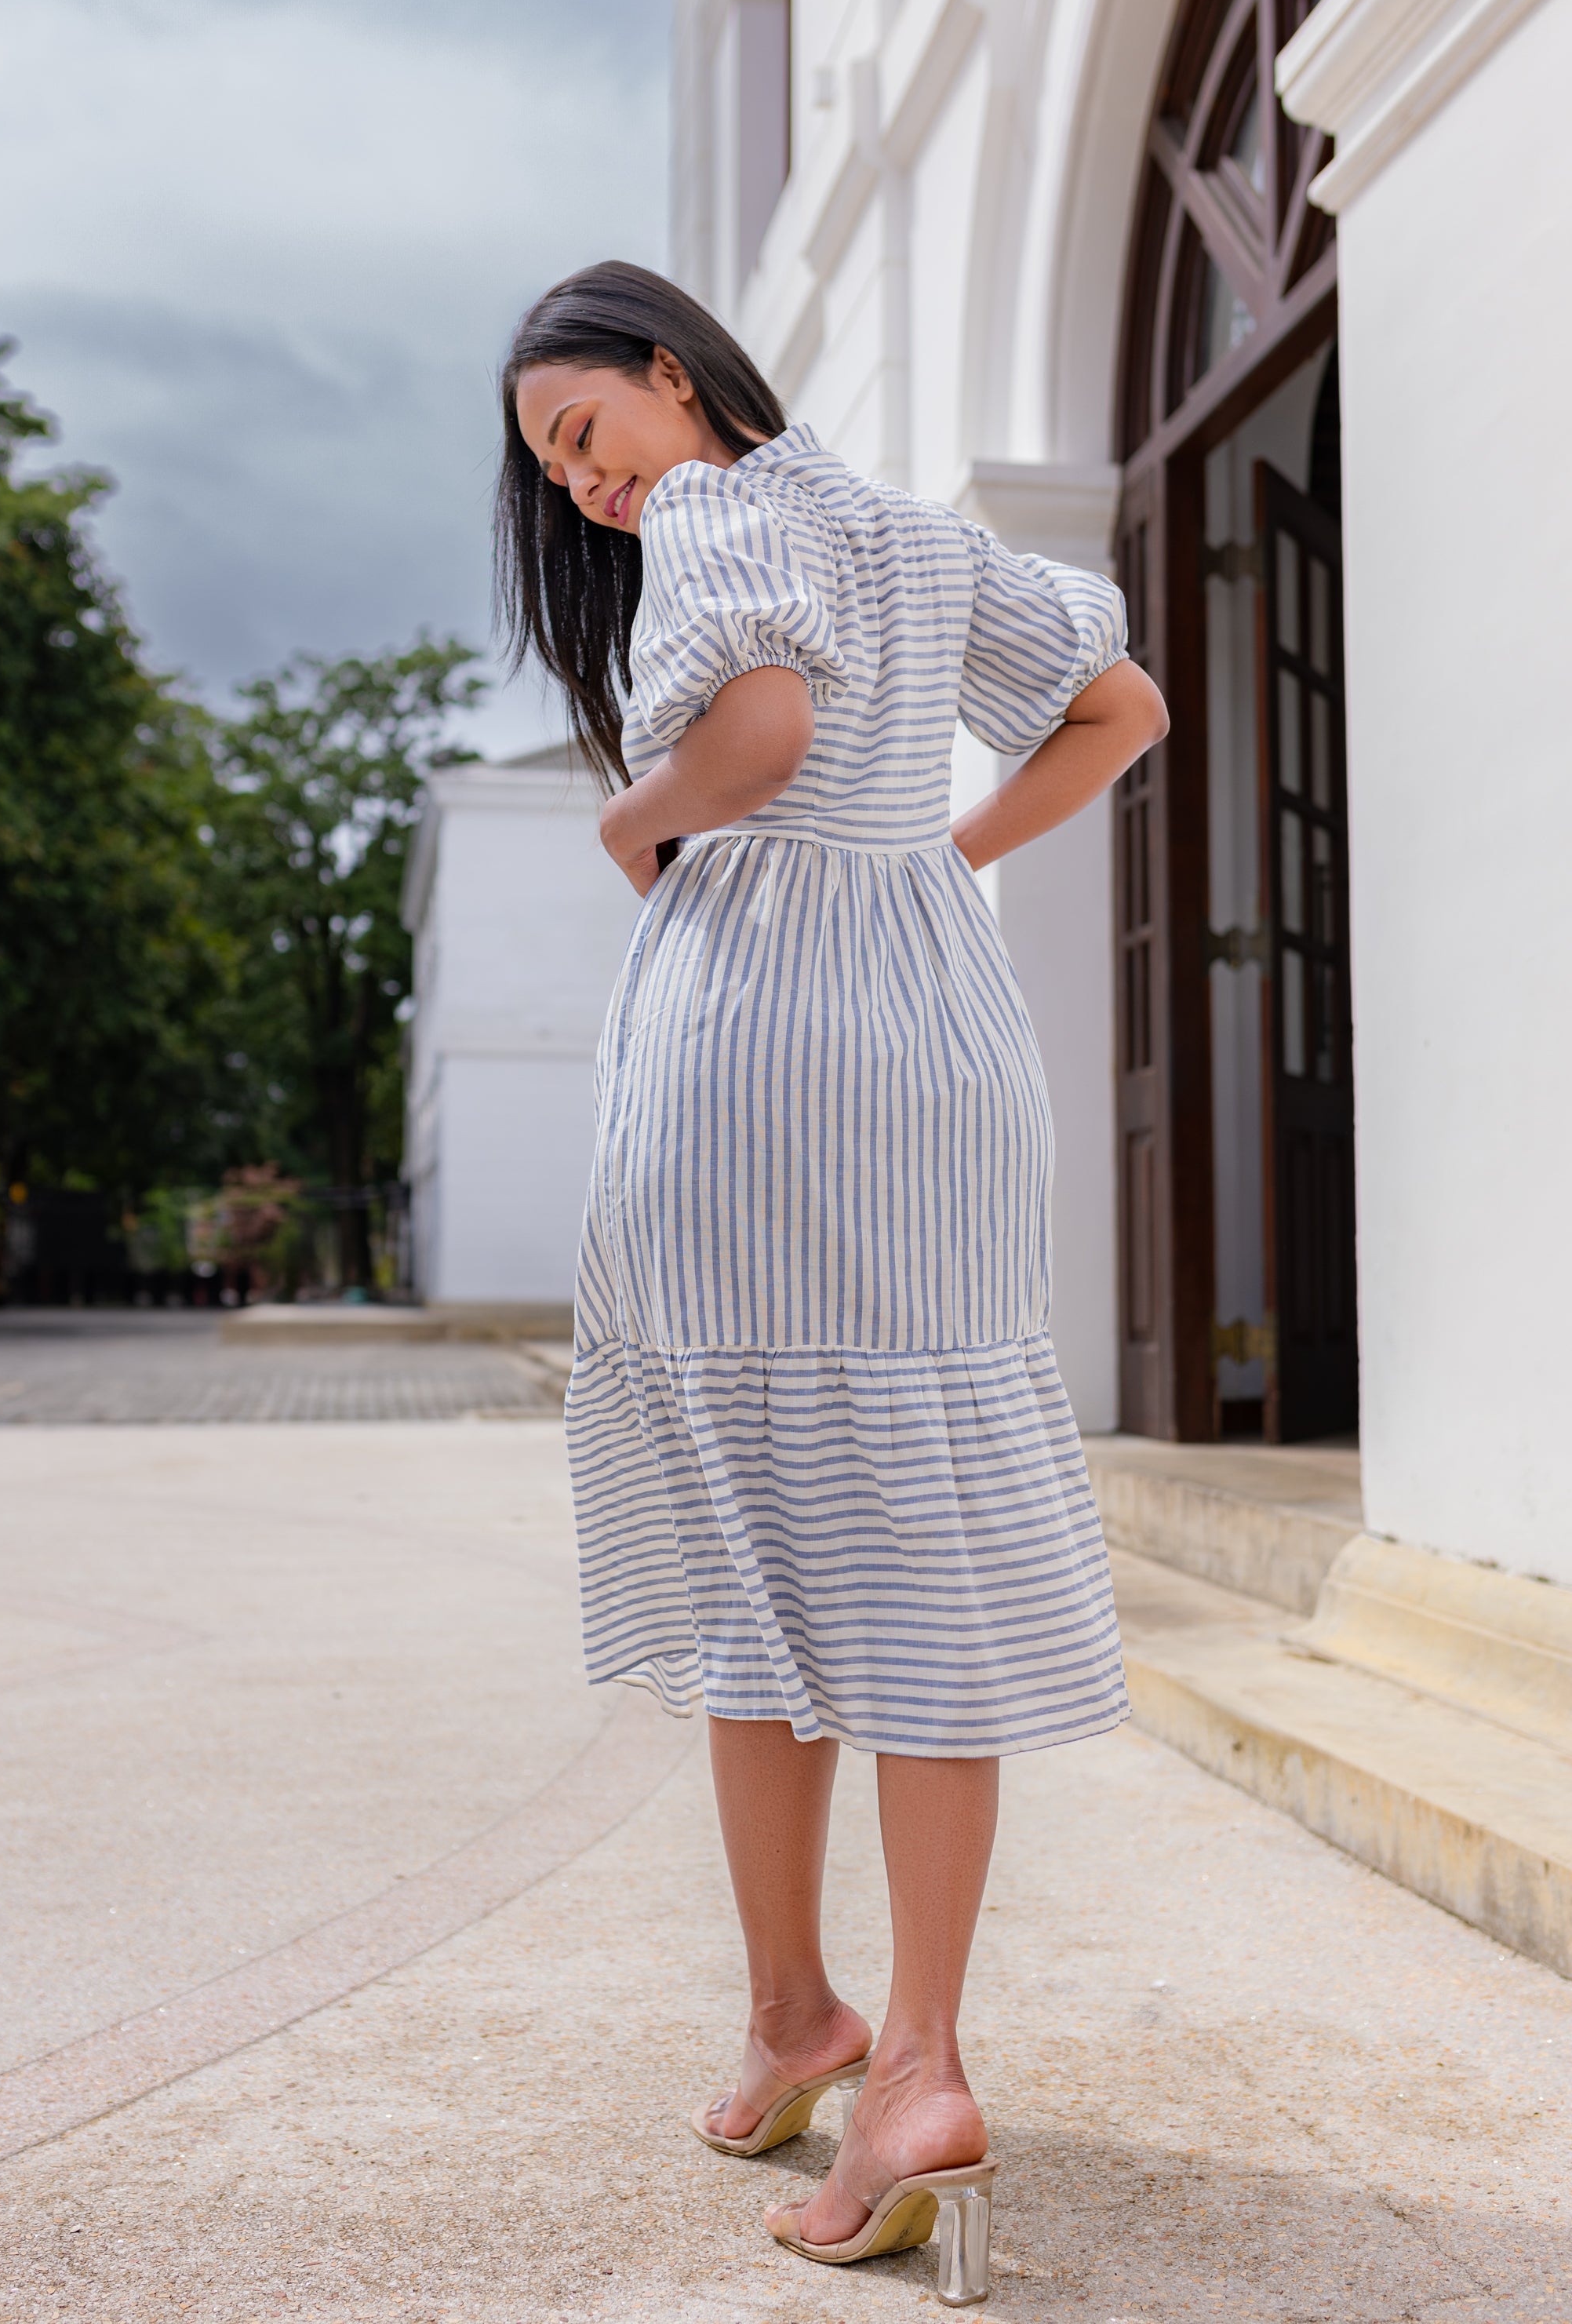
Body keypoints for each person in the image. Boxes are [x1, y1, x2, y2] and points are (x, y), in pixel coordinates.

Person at [496, 260, 1169, 2304]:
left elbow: (767, 732)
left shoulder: (721, 514)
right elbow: (1119, 712)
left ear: (674, 384)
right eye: (559, 470)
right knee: (918, 1556)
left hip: (756, 1061)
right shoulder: (909, 532)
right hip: (942, 1064)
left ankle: (806, 2016)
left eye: (586, 435)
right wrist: (951, 850)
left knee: (748, 1556)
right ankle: (917, 2060)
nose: (594, 489)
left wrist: (641, 816)